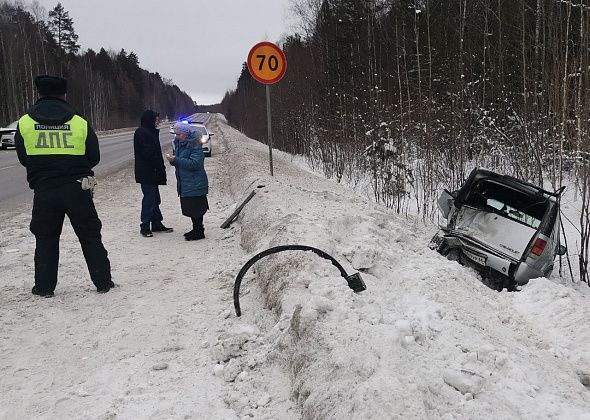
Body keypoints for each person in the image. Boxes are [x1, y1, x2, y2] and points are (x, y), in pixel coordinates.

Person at [15, 75, 115, 297]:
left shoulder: (25, 123)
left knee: (46, 239)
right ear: (64, 94)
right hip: (77, 188)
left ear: (39, 93)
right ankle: (103, 282)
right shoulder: (79, 122)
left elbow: (24, 158)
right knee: (90, 236)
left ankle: (44, 287)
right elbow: (94, 157)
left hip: (44, 190)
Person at [165, 122, 209, 240]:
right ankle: (196, 229)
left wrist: (176, 160)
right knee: (191, 208)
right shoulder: (180, 144)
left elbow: (195, 164)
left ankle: (199, 231)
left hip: (195, 182)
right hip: (186, 182)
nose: (177, 136)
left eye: (178, 134)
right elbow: (180, 162)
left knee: (196, 208)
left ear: (185, 134)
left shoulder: (195, 145)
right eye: (175, 134)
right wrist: (172, 160)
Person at [133, 110, 173, 237]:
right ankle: (144, 226)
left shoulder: (149, 132)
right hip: (147, 172)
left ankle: (156, 223)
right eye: (156, 120)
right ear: (150, 120)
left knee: (155, 199)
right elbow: (148, 154)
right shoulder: (143, 133)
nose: (158, 122)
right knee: (149, 200)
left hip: (152, 172)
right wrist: (157, 165)